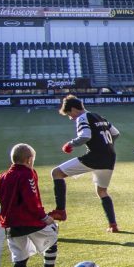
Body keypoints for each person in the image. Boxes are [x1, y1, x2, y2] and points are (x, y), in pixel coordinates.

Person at [0, 143, 59, 267]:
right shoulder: (28, 174)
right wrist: (43, 217)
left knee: (20, 256)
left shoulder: (2, 177)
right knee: (53, 232)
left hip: (10, 225)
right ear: (29, 159)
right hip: (29, 221)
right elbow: (32, 200)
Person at [51, 94, 120, 232]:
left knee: (56, 173)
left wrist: (70, 144)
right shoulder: (99, 116)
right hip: (110, 157)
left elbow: (85, 136)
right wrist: (105, 145)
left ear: (74, 110)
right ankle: (113, 225)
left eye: (69, 114)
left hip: (95, 157)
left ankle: (60, 211)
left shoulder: (82, 118)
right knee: (102, 191)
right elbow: (116, 133)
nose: (71, 118)